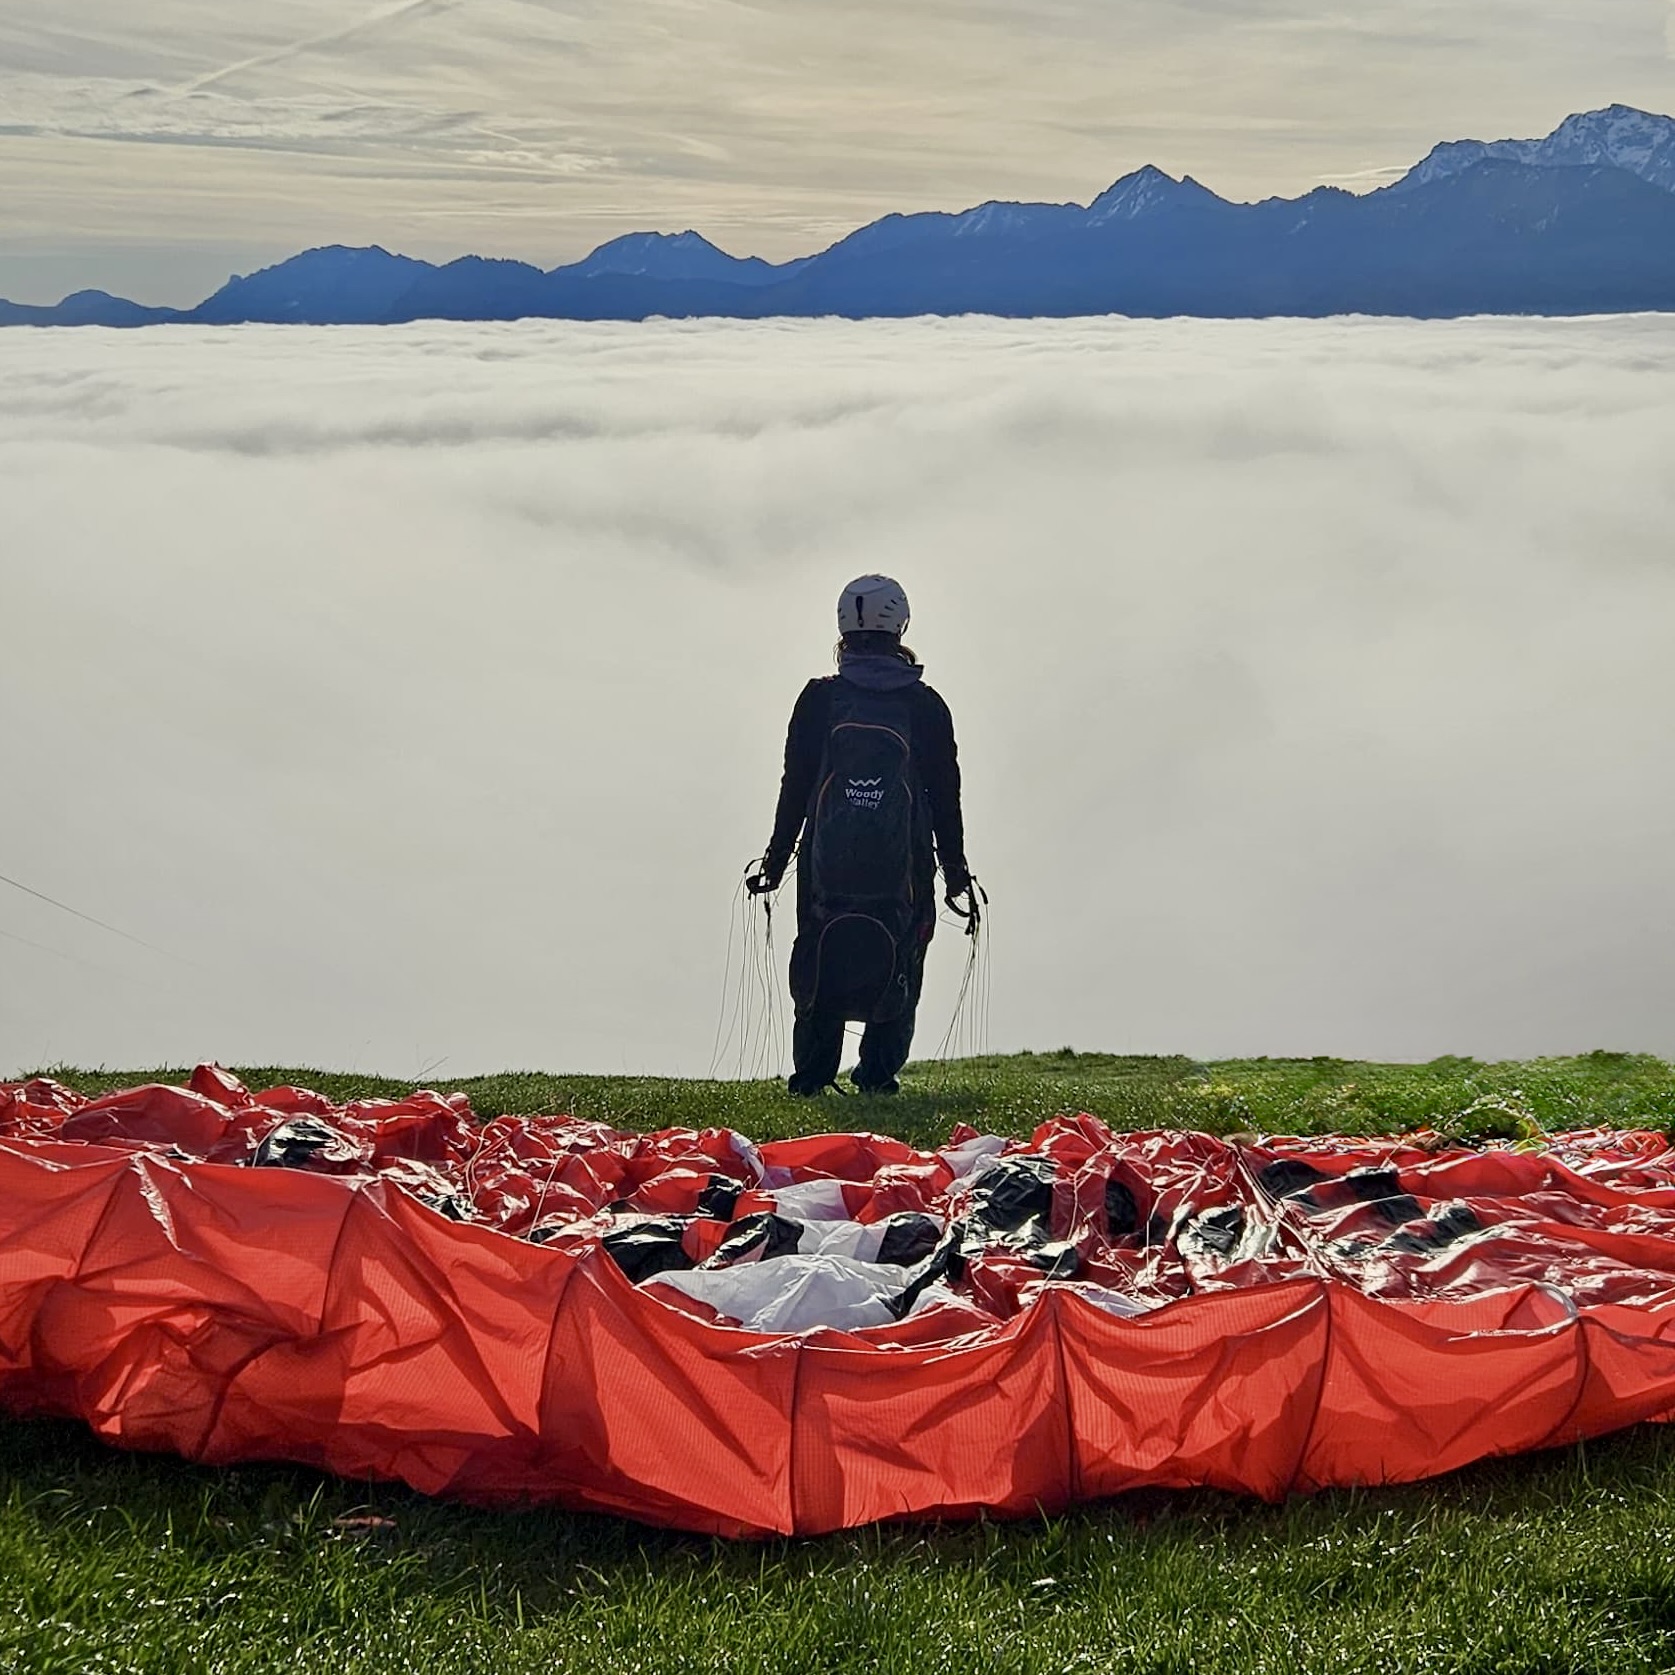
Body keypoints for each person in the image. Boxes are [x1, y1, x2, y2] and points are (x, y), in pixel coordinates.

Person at [748, 575, 975, 1096]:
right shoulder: (926, 705)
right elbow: (946, 793)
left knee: (821, 948)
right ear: (901, 625)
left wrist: (776, 859)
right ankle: (877, 1075)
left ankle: (811, 1076)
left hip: (827, 863)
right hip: (904, 864)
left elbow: (796, 786)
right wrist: (956, 870)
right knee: (904, 952)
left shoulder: (818, 700)